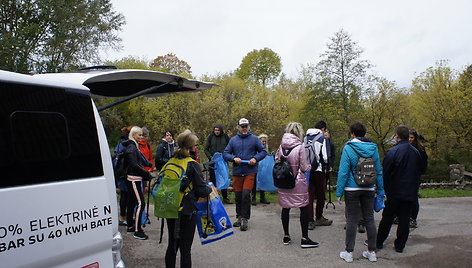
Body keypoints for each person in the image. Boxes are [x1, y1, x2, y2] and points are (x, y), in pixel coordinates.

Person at [336, 122, 385, 263]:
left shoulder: (348, 147)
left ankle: (349, 253)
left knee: (351, 219)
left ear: (353, 134)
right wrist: (381, 190)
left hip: (351, 188)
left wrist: (339, 191)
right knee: (369, 218)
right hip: (369, 187)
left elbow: (343, 172)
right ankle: (371, 252)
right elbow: (378, 171)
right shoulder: (373, 148)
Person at [164, 129, 212, 268]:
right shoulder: (192, 164)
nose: (196, 147)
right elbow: (201, 190)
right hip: (186, 210)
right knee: (185, 249)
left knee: (172, 245)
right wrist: (210, 188)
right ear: (191, 147)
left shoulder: (171, 160)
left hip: (170, 207)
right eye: (195, 145)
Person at [377, 125, 422, 253]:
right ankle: (400, 245)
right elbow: (419, 171)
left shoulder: (392, 152)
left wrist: (384, 189)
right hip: (409, 190)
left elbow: (386, 172)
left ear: (397, 136)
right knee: (404, 219)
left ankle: (379, 241)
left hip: (394, 190)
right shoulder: (416, 152)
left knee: (387, 217)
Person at [277, 122, 319, 248]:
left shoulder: (281, 146)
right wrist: (313, 166)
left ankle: (286, 235)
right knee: (303, 208)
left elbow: (277, 161)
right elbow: (305, 167)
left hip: (284, 181)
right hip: (298, 182)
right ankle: (304, 238)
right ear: (298, 132)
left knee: (285, 208)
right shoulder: (300, 146)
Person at [223, 118, 267, 231]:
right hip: (238, 171)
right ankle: (239, 217)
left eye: (246, 126)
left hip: (250, 171)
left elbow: (263, 152)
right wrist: (234, 158)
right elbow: (225, 153)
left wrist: (255, 158)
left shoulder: (254, 139)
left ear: (249, 127)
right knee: (238, 195)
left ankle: (245, 219)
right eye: (242, 126)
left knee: (246, 194)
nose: (244, 128)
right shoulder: (233, 140)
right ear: (238, 127)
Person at [123, 126, 153, 240]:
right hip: (133, 179)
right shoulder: (131, 148)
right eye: (139, 135)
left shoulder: (133, 146)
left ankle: (130, 226)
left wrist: (149, 165)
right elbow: (134, 165)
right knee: (141, 203)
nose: (141, 137)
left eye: (142, 135)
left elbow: (141, 159)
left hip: (134, 177)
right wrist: (146, 174)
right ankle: (137, 230)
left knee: (131, 202)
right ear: (134, 135)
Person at [305, 120, 332, 229]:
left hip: (307, 169)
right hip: (319, 170)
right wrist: (328, 165)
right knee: (321, 194)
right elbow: (325, 157)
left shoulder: (305, 138)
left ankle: (310, 220)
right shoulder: (323, 139)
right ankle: (319, 217)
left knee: (309, 194)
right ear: (323, 129)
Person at [204, 124, 232, 204]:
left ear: (221, 130)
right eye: (215, 130)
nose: (217, 132)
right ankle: (214, 198)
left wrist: (227, 156)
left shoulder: (225, 137)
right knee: (213, 179)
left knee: (224, 179)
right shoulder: (210, 137)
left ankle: (225, 197)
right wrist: (210, 157)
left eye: (218, 130)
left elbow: (230, 147)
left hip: (223, 161)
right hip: (213, 162)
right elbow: (206, 149)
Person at [409, 129, 428, 228]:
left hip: (415, 176)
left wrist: (419, 173)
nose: (409, 139)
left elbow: (423, 164)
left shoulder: (420, 149)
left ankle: (413, 218)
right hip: (405, 177)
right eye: (408, 137)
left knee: (413, 198)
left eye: (411, 137)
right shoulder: (404, 147)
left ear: (415, 138)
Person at [252, 133, 270, 205]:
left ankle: (262, 197)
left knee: (263, 181)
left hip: (263, 167)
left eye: (265, 141)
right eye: (263, 141)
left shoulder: (266, 148)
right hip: (256, 166)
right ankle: (253, 198)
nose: (264, 143)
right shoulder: (255, 148)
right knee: (254, 182)